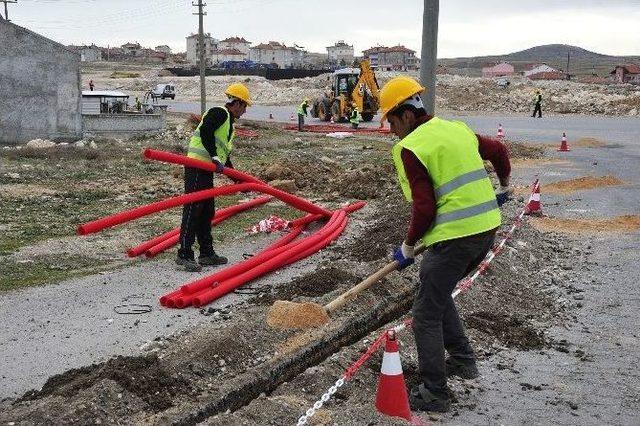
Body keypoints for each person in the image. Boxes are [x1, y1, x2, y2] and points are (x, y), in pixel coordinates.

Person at [379, 76, 512, 413]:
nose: (392, 130)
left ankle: (434, 392)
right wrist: (504, 184)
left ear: (407, 115)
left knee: (424, 314)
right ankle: (464, 360)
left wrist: (409, 245)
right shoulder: (456, 129)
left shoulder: (411, 147)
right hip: (485, 229)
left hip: (456, 238)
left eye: (392, 121)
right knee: (435, 290)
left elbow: (425, 207)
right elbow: (499, 150)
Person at [176, 82, 251, 272]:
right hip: (196, 166)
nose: (245, 111)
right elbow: (205, 131)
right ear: (238, 103)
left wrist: (238, 180)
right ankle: (184, 253)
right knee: (193, 210)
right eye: (245, 106)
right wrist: (215, 156)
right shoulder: (218, 113)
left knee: (207, 211)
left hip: (206, 170)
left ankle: (206, 253)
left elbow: (224, 156)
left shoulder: (228, 123)